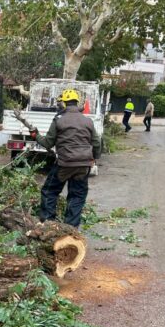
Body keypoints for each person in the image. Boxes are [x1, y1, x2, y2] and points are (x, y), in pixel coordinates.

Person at [30, 89, 101, 228]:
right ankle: (71, 228)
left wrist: (36, 136)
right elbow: (97, 143)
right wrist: (95, 158)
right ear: (77, 103)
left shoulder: (58, 120)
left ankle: (48, 224)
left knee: (49, 191)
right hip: (83, 165)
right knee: (77, 196)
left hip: (64, 164)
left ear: (63, 104)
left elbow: (48, 143)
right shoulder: (88, 121)